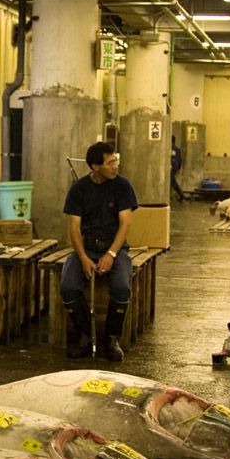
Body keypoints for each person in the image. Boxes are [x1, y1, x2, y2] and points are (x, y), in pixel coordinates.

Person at [60, 141, 138, 361]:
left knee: (122, 286)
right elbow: (73, 227)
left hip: (115, 247)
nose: (115, 166)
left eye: (116, 161)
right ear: (95, 166)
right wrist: (83, 257)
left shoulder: (123, 186)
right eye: (110, 162)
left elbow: (125, 225)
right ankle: (85, 336)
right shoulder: (79, 189)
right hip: (87, 247)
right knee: (68, 286)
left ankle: (111, 339)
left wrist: (111, 254)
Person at [170, 135, 184, 201]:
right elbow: (180, 159)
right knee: (171, 181)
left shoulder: (168, 148)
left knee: (172, 181)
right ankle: (180, 194)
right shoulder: (177, 149)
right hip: (175, 167)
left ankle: (181, 194)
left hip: (170, 167)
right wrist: (178, 168)